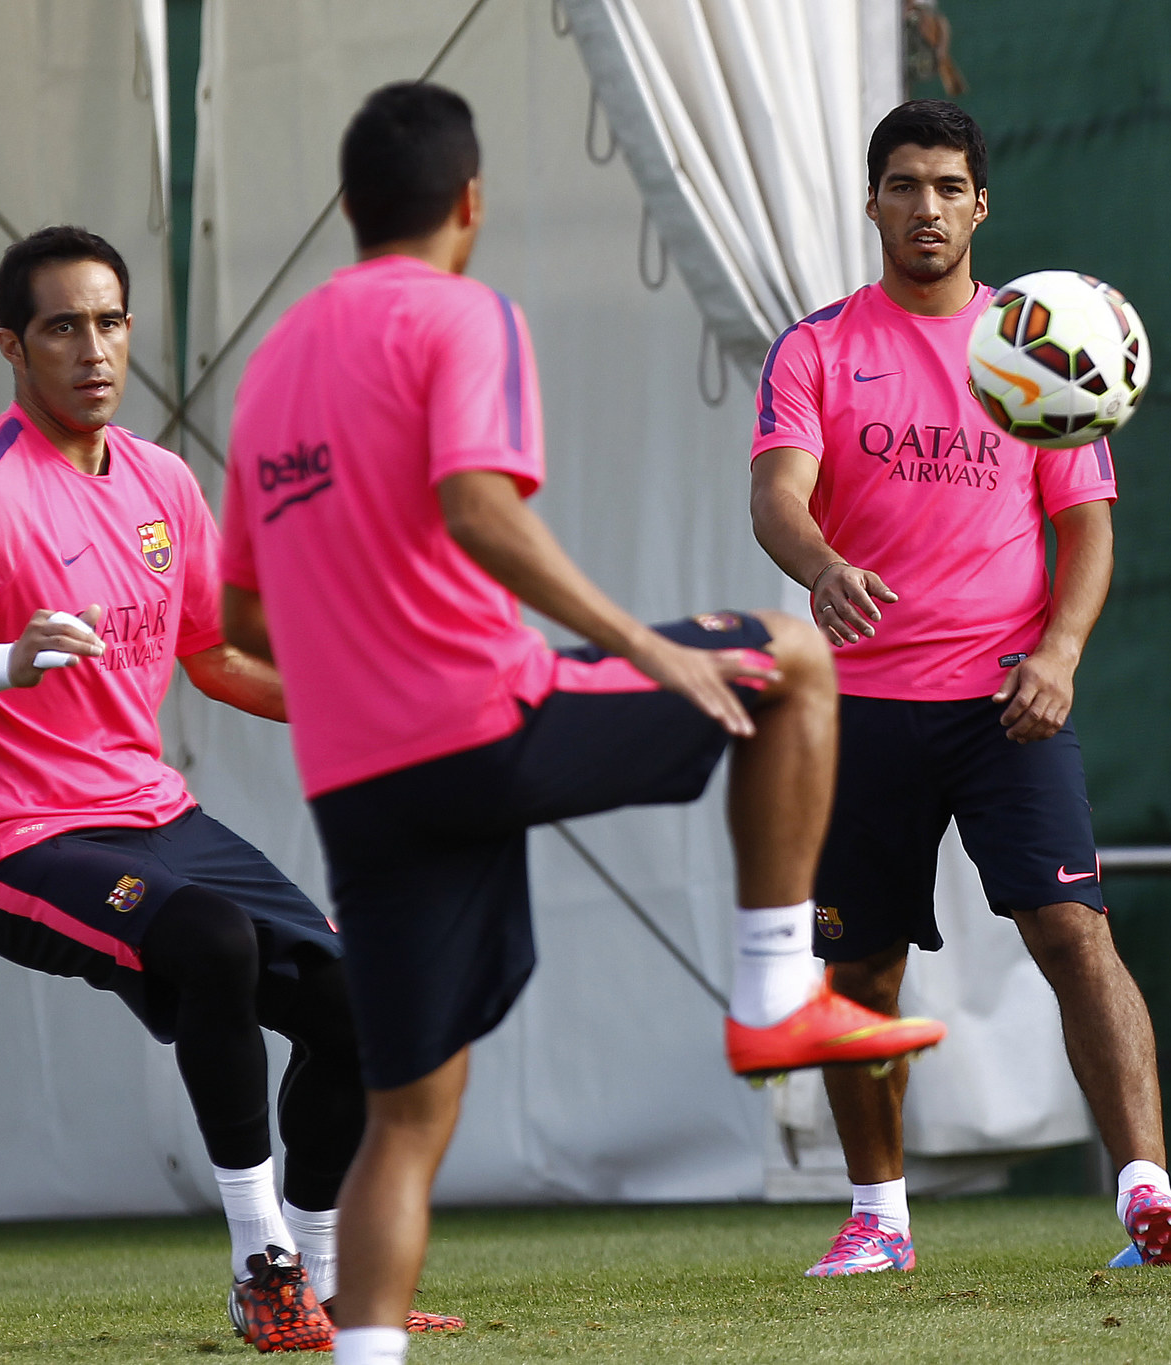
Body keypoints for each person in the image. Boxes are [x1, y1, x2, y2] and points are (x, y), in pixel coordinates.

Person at [217, 82, 945, 1365]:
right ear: (471, 204)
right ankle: (777, 992)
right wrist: (639, 645)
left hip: (361, 776)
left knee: (408, 1106)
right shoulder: (460, 311)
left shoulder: (273, 365)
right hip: (481, 718)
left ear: (346, 210)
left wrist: (363, 666)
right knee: (787, 657)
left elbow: (245, 614)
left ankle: (366, 1352)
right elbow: (478, 509)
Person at [0, 226, 464, 1353]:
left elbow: (215, 655)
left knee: (361, 1012)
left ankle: (327, 1284)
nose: (93, 348)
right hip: (17, 844)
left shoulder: (161, 480)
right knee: (215, 942)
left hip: (153, 819)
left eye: (110, 321)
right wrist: (4, 662)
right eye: (62, 326)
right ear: (11, 347)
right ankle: (261, 1268)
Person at [749, 100, 1171, 1277]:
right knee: (859, 970)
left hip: (1007, 702)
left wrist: (1056, 657)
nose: (927, 208)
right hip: (853, 711)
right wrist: (822, 565)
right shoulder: (816, 346)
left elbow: (1087, 532)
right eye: (903, 186)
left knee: (1072, 932)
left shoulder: (1035, 339)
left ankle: (1148, 1203)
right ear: (872, 202)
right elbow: (777, 499)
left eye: (948, 187)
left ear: (980, 204)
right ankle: (877, 1222)